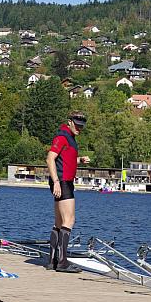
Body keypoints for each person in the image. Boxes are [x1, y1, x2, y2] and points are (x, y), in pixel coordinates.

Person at [46, 111, 90, 273]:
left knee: (59, 222)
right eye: (77, 125)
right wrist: (56, 182)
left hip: (63, 181)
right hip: (62, 182)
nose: (79, 128)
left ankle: (52, 260)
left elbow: (65, 159)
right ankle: (62, 262)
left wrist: (80, 160)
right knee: (69, 220)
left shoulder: (70, 139)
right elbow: (50, 158)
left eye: (82, 126)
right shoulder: (62, 137)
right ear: (69, 122)